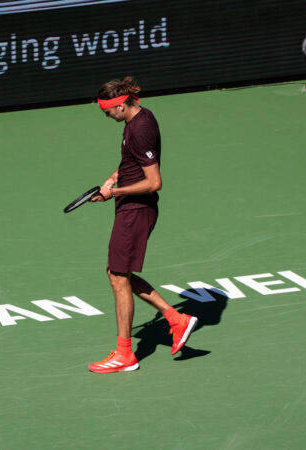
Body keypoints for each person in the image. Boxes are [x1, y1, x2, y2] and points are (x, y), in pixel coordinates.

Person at [88, 76, 198, 373]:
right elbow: (132, 162)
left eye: (108, 112)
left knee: (118, 276)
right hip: (130, 207)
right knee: (116, 273)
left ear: (122, 105)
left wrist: (114, 192)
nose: (107, 117)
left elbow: (154, 182)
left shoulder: (140, 130)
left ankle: (125, 354)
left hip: (136, 210)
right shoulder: (141, 116)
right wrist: (114, 176)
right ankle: (177, 319)